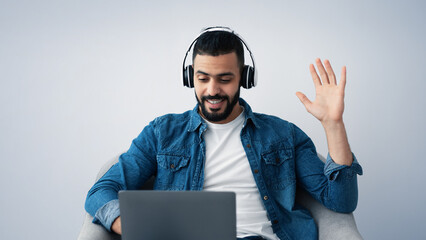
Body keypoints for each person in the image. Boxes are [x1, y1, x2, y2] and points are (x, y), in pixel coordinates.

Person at [85, 26, 363, 240]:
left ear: (244, 77)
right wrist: (132, 225)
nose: (212, 90)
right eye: (203, 78)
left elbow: (341, 201)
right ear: (189, 77)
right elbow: (100, 192)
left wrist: (333, 124)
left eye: (225, 79)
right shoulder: (162, 133)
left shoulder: (282, 134)